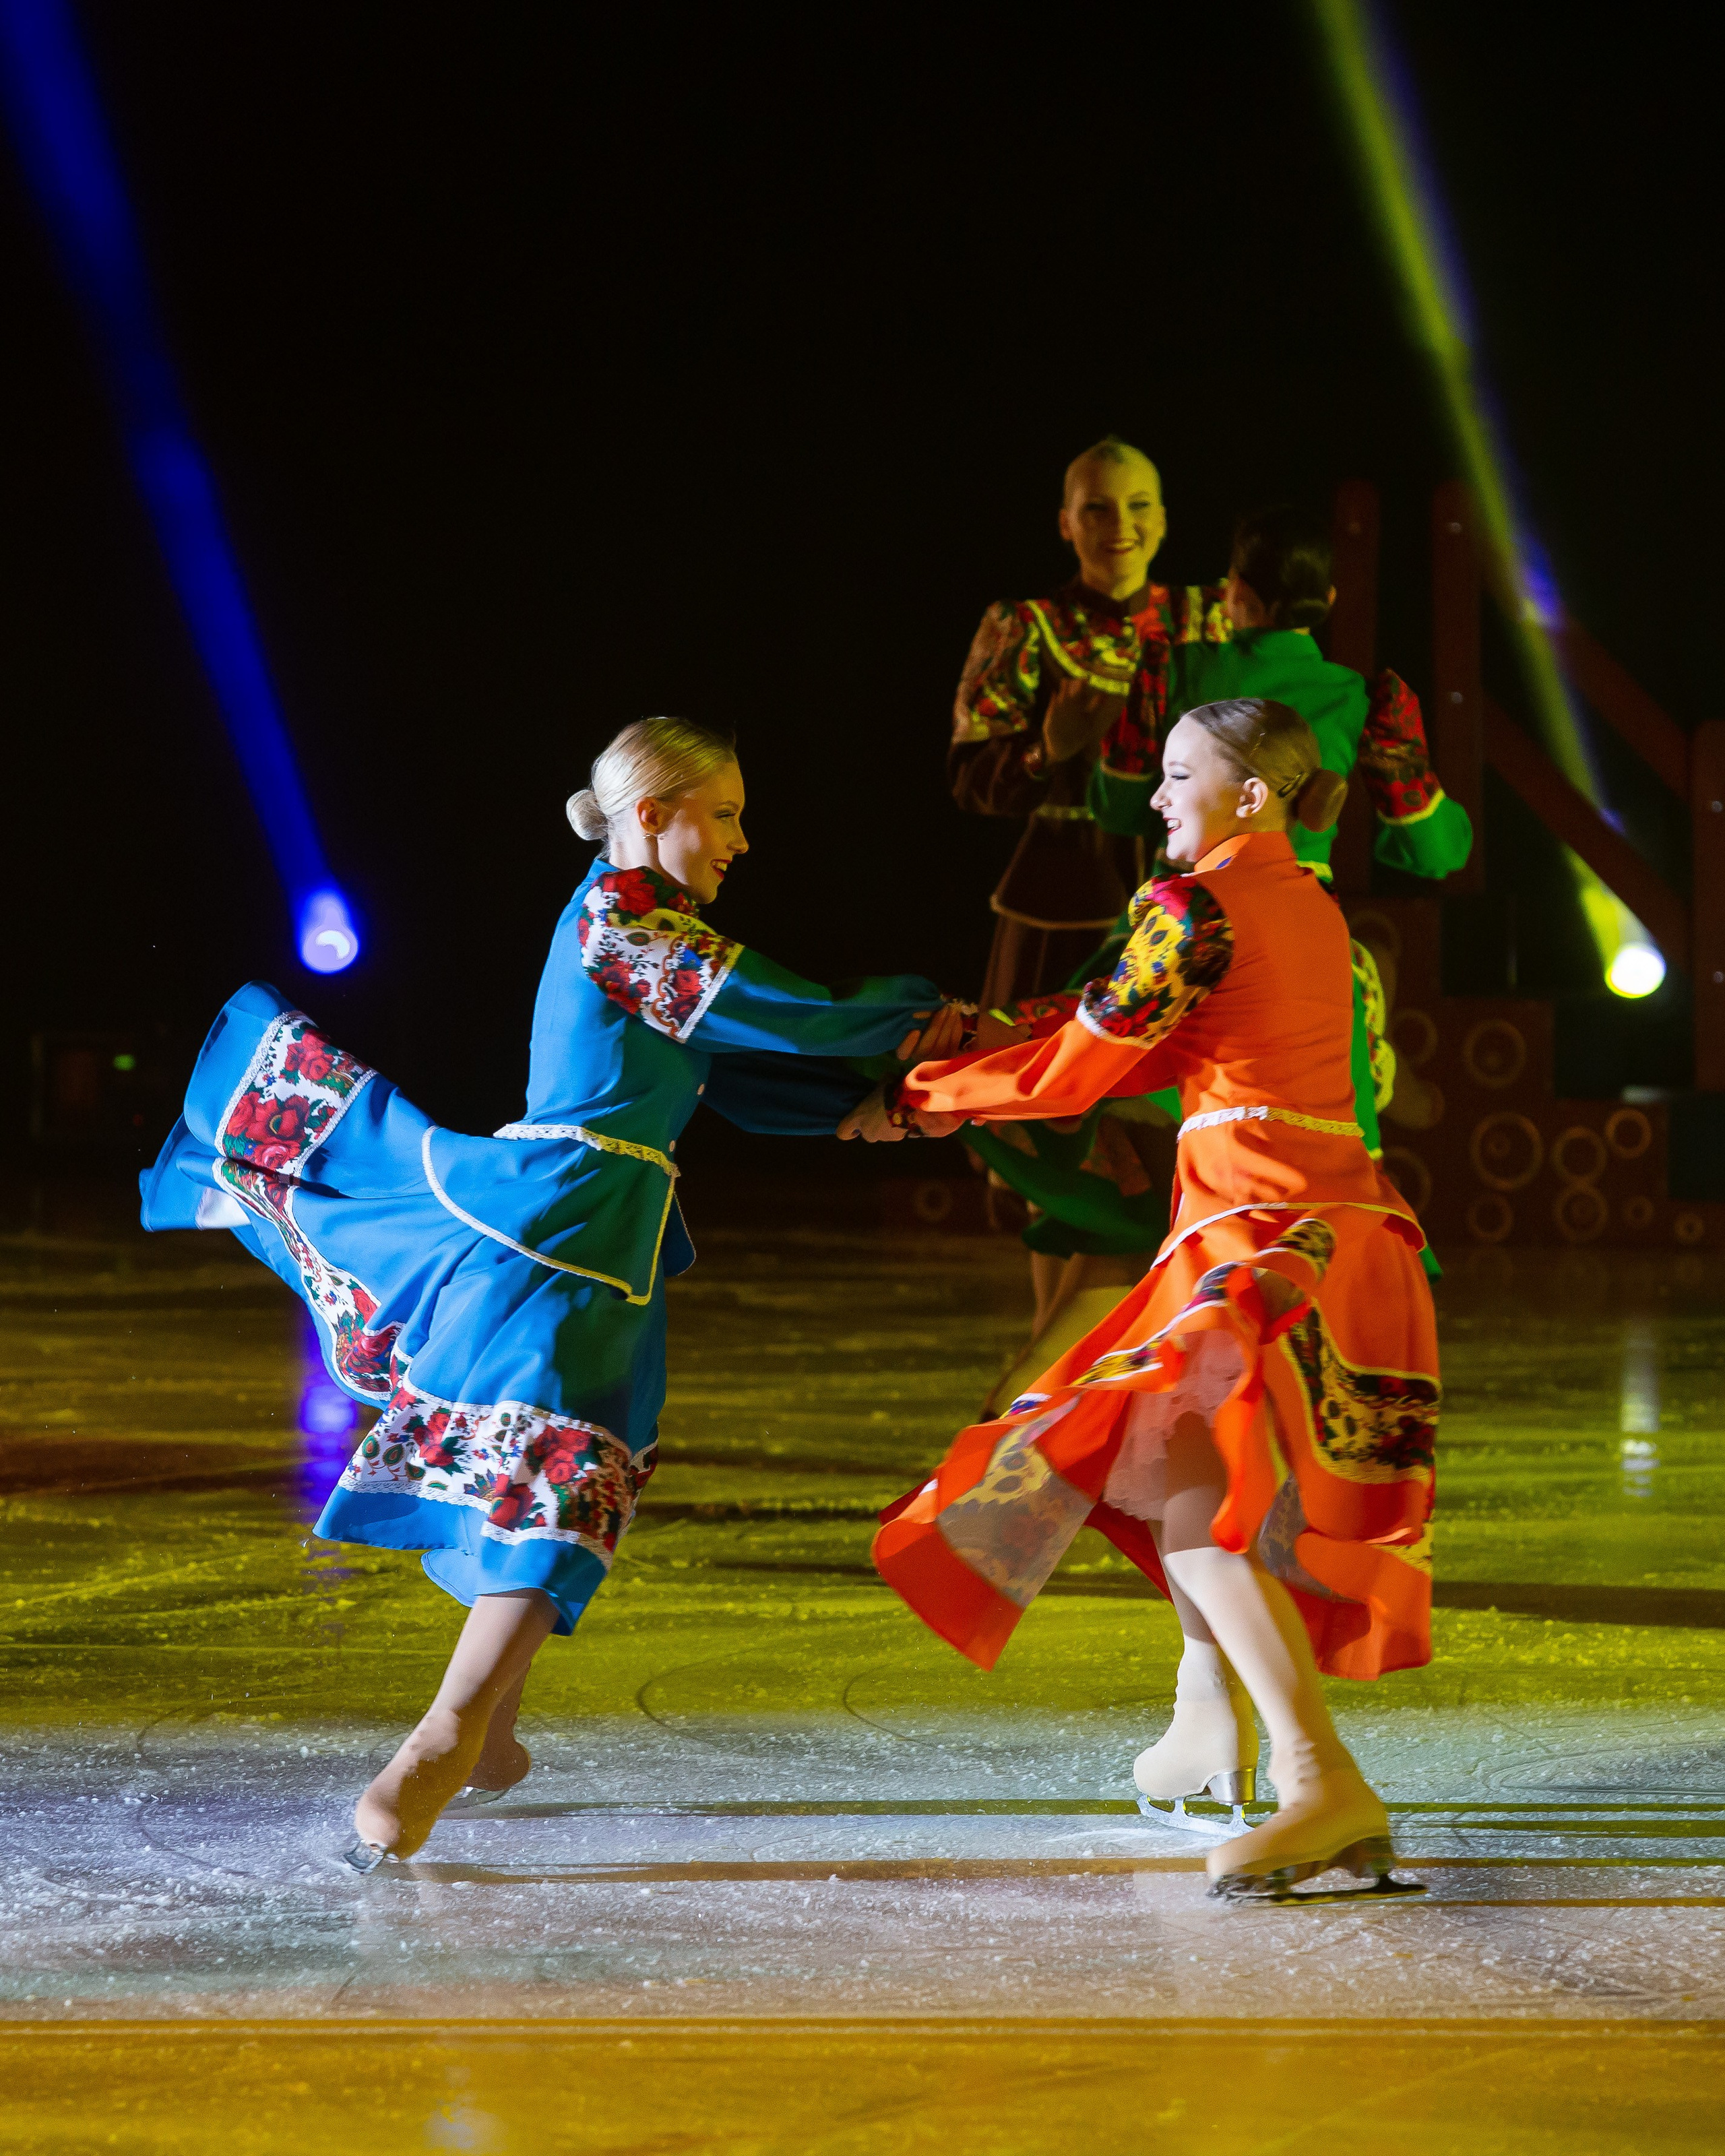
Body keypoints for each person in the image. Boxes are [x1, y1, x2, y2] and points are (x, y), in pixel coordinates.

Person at [140, 718, 945, 1869]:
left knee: (569, 1462)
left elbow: (720, 1077)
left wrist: (871, 1107)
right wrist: (920, 1022)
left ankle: (492, 1728)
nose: (741, 841)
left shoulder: (651, 930)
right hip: (564, 1220)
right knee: (566, 1467)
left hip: (604, 1229)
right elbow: (778, 1013)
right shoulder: (626, 917)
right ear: (652, 813)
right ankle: (444, 1737)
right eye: (723, 814)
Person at [849, 698, 1439, 1899]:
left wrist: (925, 1095)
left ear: (1254, 793)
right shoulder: (1315, 910)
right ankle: (1206, 1735)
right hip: (1337, 1233)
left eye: (1179, 775)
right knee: (1191, 1490)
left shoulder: (1196, 908)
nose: (1157, 796)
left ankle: (1322, 1782)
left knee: (1206, 1514)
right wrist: (956, 1061)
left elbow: (1087, 1062)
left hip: (1256, 1239)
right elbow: (1144, 1039)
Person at [969, 503, 1470, 1401]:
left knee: (1111, 1232)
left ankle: (1018, 1436)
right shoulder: (1363, 697)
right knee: (1302, 1236)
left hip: (1170, 950)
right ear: (1328, 597)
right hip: (1300, 972)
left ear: (1235, 594)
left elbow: (1121, 809)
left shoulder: (1176, 672)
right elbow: (1434, 852)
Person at [949, 435, 1227, 1008]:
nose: (1120, 523)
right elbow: (970, 780)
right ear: (1066, 524)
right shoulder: (1024, 626)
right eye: (1096, 507)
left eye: (1139, 504)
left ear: (1165, 519)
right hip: (1067, 892)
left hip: (1197, 881)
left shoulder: (1210, 617)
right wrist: (1044, 752)